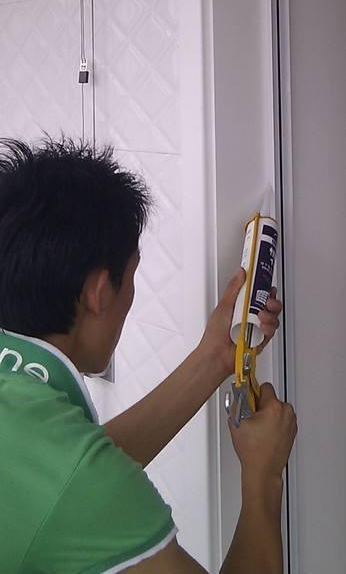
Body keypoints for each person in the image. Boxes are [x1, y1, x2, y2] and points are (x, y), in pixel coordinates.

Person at [0, 137, 297, 573]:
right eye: (132, 274)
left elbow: (64, 480)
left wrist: (215, 358)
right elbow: (75, 487)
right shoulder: (76, 483)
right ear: (100, 293)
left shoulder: (26, 414)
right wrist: (263, 476)